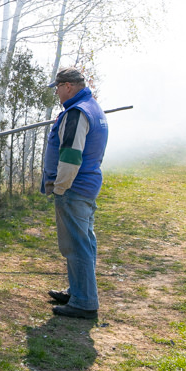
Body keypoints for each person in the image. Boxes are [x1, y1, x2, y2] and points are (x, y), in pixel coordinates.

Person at [41, 67, 109, 319]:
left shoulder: (77, 113)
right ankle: (79, 291)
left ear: (68, 85)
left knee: (76, 245)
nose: (57, 92)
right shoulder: (92, 107)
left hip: (74, 188)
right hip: (86, 186)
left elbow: (71, 155)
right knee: (84, 242)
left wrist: (60, 187)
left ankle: (84, 302)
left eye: (58, 87)